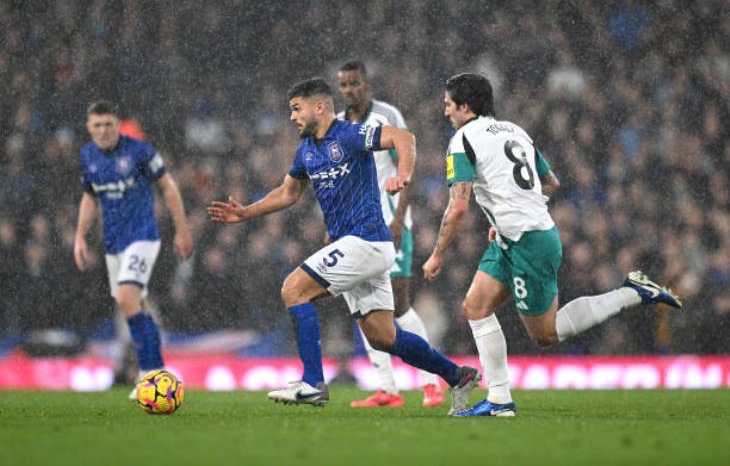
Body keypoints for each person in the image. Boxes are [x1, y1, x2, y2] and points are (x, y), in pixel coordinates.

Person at [208, 78, 479, 413]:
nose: (292, 117)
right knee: (383, 336)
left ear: (319, 107)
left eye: (296, 108)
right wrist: (247, 212)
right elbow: (289, 192)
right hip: (362, 247)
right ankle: (457, 376)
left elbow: (403, 137)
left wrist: (403, 174)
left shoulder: (348, 134)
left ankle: (311, 383)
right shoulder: (306, 149)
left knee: (294, 289)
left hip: (364, 240)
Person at [422, 73, 682, 417]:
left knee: (546, 334)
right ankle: (499, 401)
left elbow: (457, 207)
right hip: (514, 237)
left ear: (465, 107)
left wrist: (437, 254)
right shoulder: (516, 131)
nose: (445, 113)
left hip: (530, 243)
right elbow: (552, 182)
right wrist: (510, 215)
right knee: (475, 307)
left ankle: (633, 292)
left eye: (448, 105)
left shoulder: (462, 140)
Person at [336, 60, 443, 408]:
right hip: (354, 227)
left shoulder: (387, 116)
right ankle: (388, 389)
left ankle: (430, 381)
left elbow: (406, 166)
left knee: (398, 305)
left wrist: (399, 219)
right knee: (364, 307)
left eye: (355, 83)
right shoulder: (337, 125)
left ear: (367, 84)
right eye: (344, 84)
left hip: (389, 223)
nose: (349, 89)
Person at [74, 101, 193, 398]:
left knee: (128, 297)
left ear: (117, 125)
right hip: (113, 243)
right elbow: (90, 197)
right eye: (97, 125)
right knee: (135, 305)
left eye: (108, 124)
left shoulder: (140, 152)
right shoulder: (88, 156)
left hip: (142, 236)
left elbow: (168, 186)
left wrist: (182, 229)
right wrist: (79, 236)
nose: (103, 130)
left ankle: (150, 374)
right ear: (89, 128)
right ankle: (155, 370)